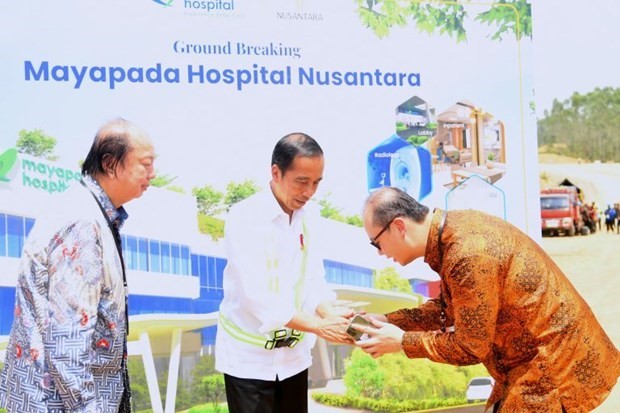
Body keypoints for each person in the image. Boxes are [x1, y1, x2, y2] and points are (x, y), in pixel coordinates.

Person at [353, 187, 620, 412]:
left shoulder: (466, 253)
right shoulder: (454, 233)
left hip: (551, 367)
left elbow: (470, 346)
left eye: (376, 243)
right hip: (534, 363)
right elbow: (450, 309)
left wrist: (401, 341)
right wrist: (386, 321)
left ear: (399, 226)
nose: (379, 253)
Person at [0, 118, 156, 413]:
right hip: (61, 403)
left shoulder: (91, 212)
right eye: (145, 164)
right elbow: (67, 341)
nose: (153, 174)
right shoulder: (82, 223)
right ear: (111, 164)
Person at [215, 132, 353, 413]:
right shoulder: (244, 217)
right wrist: (319, 326)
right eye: (301, 181)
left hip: (293, 359)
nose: (309, 192)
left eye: (316, 183)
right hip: (249, 362)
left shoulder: (310, 217)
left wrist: (329, 312)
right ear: (275, 172)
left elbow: (313, 278)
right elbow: (258, 297)